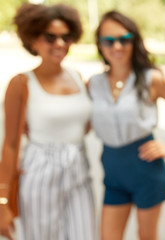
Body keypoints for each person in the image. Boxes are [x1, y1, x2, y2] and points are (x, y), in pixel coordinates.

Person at [0, 3, 96, 240]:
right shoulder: (21, 83)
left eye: (67, 36)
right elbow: (10, 143)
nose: (60, 43)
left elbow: (83, 126)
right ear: (33, 40)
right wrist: (2, 201)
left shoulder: (77, 77)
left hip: (79, 169)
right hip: (39, 169)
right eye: (50, 37)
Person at [88, 10, 165, 240]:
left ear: (134, 41)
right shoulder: (93, 83)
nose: (117, 46)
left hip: (145, 169)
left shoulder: (152, 79)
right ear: (100, 45)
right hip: (112, 170)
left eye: (124, 39)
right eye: (109, 40)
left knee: (146, 237)